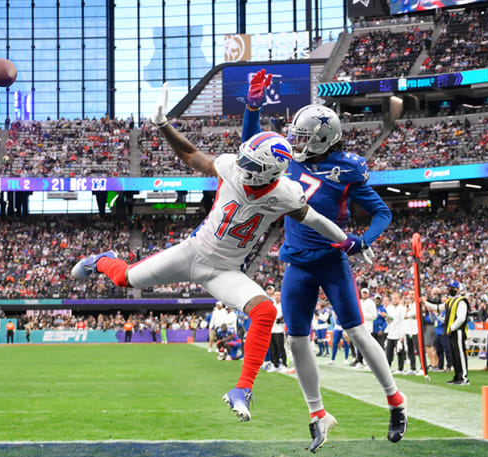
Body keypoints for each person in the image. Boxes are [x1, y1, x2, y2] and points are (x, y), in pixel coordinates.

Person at [72, 83, 351, 424]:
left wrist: (347, 241)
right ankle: (101, 259)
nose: (243, 165)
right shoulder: (234, 166)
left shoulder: (286, 194)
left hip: (224, 271)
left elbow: (317, 220)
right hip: (192, 252)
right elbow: (192, 156)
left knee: (265, 311)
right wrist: (162, 124)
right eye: (245, 158)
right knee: (124, 278)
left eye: (251, 163)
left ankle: (242, 390)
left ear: (271, 172)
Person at [242, 74, 406, 448]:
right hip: (297, 263)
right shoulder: (287, 162)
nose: (295, 143)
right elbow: (250, 144)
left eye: (302, 137)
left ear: (321, 138)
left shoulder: (346, 171)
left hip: (332, 261)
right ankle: (318, 415)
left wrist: (362, 242)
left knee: (359, 334)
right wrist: (253, 106)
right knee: (298, 340)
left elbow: (382, 213)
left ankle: (396, 401)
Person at [425, 281, 469, 385]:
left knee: (460, 354)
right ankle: (457, 376)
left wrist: (451, 328)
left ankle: (463, 377)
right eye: (449, 287)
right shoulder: (450, 301)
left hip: (458, 331)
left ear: (458, 289)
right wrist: (424, 302)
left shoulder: (461, 301)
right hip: (451, 331)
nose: (450, 289)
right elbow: (437, 308)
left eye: (452, 288)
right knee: (454, 354)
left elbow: (461, 318)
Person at [270, 289, 288, 371]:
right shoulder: (272, 305)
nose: (277, 296)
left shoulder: (283, 305)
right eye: (275, 295)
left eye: (279, 295)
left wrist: (280, 319)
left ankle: (284, 364)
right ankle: (275, 364)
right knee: (273, 348)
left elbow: (285, 315)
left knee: (281, 347)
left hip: (280, 329)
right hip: (271, 329)